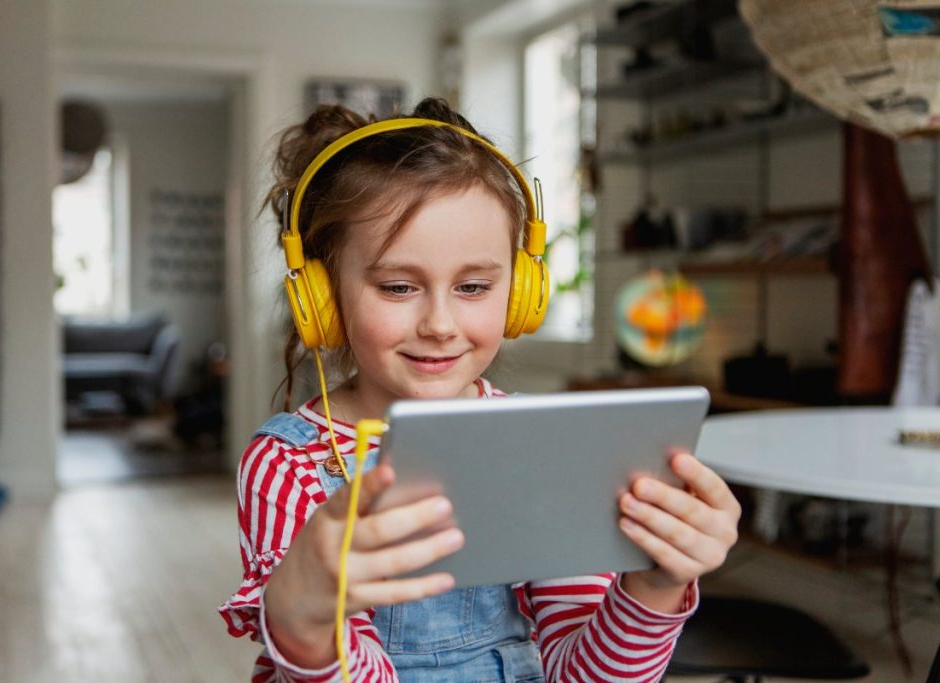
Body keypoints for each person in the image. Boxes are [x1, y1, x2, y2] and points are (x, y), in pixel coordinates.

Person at [220, 97, 741, 682]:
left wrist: (655, 584)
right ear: (321, 298)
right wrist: (305, 621)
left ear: (520, 293)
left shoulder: (544, 446)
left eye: (472, 286)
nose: (440, 325)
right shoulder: (288, 465)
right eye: (397, 287)